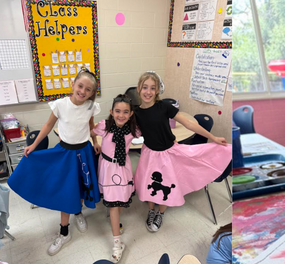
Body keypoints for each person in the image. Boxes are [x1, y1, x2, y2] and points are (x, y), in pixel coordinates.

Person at [8, 69, 102, 255]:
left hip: (84, 152)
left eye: (88, 89)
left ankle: (78, 212)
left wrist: (96, 142)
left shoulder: (91, 107)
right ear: (73, 84)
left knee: (82, 186)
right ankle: (64, 232)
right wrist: (34, 145)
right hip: (65, 153)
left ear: (92, 93)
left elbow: (90, 127)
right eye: (80, 86)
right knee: (65, 192)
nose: (83, 91)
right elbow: (48, 125)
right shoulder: (60, 104)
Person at [134, 71, 232, 233]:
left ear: (158, 90)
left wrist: (212, 137)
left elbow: (188, 123)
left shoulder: (164, 106)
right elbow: (132, 131)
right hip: (148, 154)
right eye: (145, 87)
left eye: (153, 88)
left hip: (167, 154)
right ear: (139, 88)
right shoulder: (136, 112)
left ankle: (161, 213)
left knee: (165, 183)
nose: (148, 91)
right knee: (148, 183)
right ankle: (151, 210)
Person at [92, 94, 141, 262]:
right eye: (118, 111)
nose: (121, 115)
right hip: (107, 166)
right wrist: (94, 142)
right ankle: (117, 243)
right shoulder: (104, 126)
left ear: (131, 114)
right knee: (114, 204)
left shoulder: (134, 130)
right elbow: (89, 129)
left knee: (119, 201)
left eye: (125, 112)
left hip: (123, 167)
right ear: (111, 111)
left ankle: (114, 217)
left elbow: (151, 134)